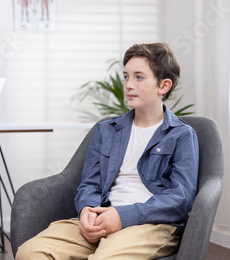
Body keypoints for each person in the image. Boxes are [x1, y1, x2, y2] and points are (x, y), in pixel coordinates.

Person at [16, 42, 199, 259]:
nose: (128, 85)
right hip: (101, 216)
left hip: (150, 223)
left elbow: (181, 198)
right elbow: (90, 184)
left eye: (139, 77)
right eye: (126, 76)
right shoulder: (106, 130)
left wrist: (123, 216)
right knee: (30, 253)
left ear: (163, 86)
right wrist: (87, 211)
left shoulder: (181, 135)